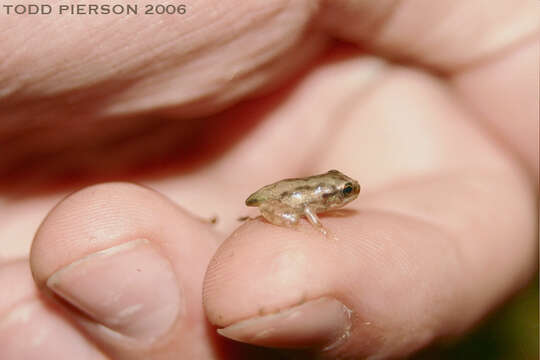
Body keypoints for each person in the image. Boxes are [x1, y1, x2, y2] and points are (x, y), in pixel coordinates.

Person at [0, 1, 537, 359]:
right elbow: (296, 203)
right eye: (344, 193)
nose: (348, 197)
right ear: (332, 194)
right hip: (276, 199)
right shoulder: (317, 197)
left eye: (345, 192)